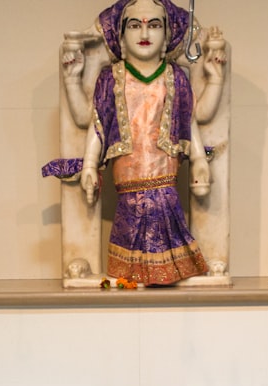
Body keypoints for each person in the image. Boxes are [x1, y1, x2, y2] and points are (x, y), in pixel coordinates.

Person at [43, 0, 224, 286]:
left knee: (169, 236)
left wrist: (200, 160)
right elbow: (97, 124)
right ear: (120, 35)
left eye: (154, 25)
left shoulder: (175, 76)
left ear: (167, 34)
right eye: (134, 25)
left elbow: (189, 121)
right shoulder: (111, 78)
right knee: (127, 258)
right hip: (127, 188)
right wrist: (90, 164)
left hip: (166, 186)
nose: (145, 33)